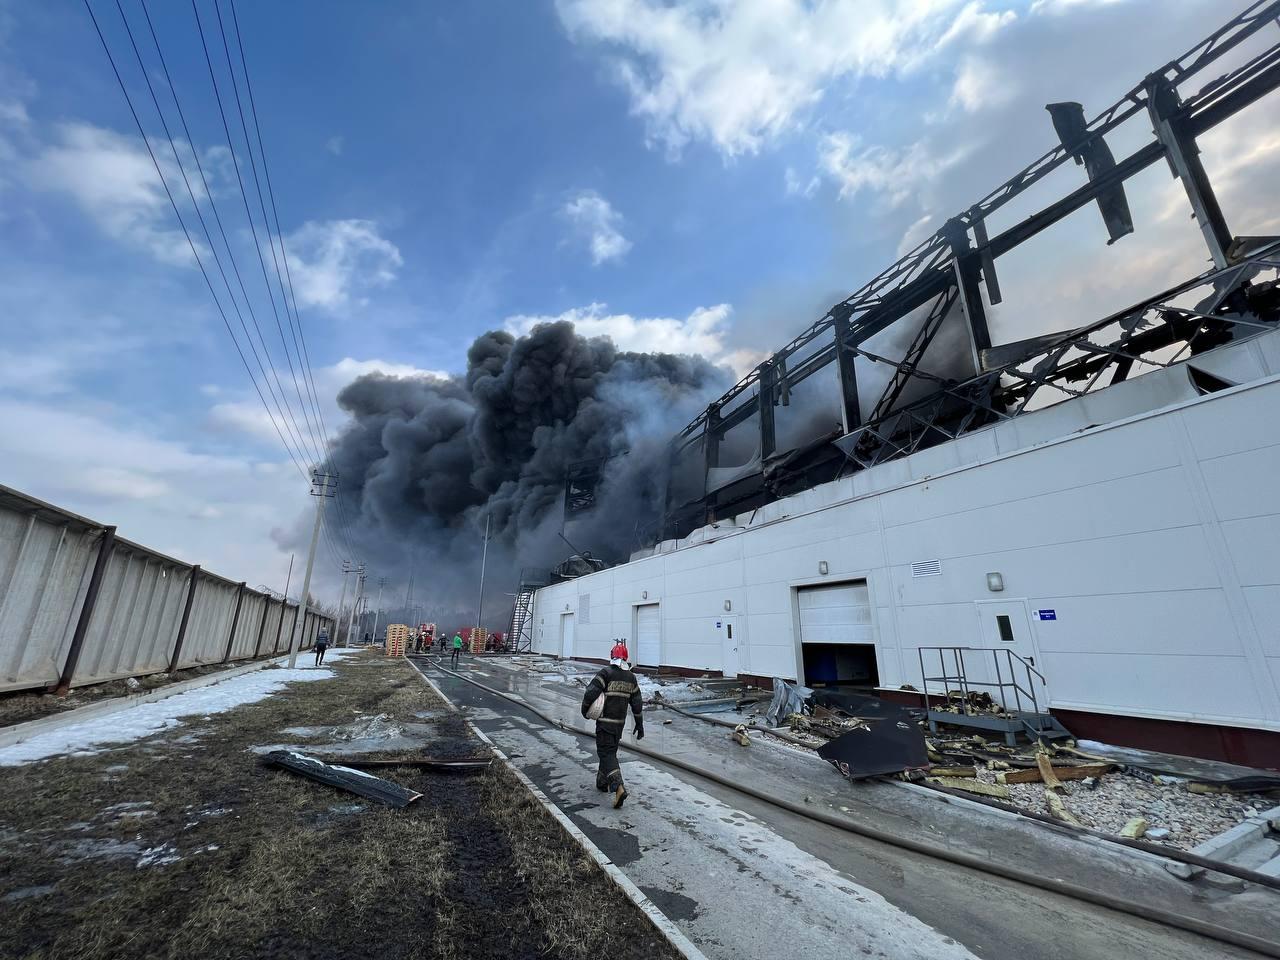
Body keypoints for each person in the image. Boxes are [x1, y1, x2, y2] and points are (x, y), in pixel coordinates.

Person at [580, 654, 644, 808]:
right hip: (619, 725)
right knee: (609, 752)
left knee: (606, 753)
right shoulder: (631, 678)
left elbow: (591, 692)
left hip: (605, 724)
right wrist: (639, 724)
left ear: (613, 657)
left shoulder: (606, 673)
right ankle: (602, 782)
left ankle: (619, 788)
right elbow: (637, 702)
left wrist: (584, 709)